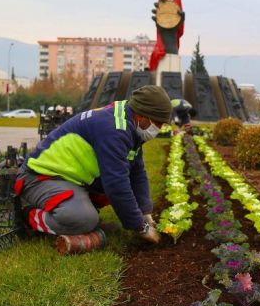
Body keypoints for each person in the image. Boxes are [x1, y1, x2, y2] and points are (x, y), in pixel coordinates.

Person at [15, 85, 173, 250]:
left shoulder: (129, 122)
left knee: (118, 194)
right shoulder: (115, 130)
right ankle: (28, 215)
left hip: (69, 178)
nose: (159, 129)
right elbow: (116, 185)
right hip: (40, 177)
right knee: (84, 220)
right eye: (158, 123)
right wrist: (141, 227)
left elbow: (137, 172)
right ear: (142, 116)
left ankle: (74, 209)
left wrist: (145, 212)